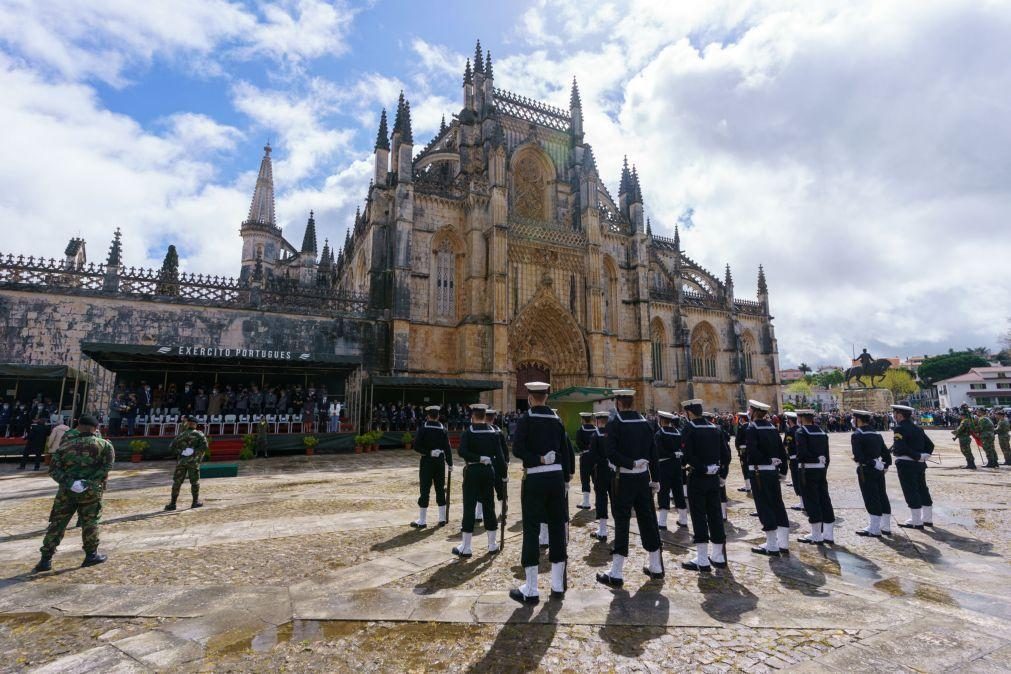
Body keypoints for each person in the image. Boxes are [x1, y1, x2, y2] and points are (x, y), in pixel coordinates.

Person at [510, 382, 571, 604]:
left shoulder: (526, 418)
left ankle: (531, 588)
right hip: (556, 479)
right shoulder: (558, 421)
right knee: (557, 528)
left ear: (529, 397)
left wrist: (538, 459)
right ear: (546, 396)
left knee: (531, 529)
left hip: (535, 477)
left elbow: (517, 449)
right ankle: (556, 586)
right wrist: (565, 480)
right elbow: (566, 452)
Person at [596, 389, 663, 587]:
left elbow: (610, 453)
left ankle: (616, 572)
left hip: (623, 479)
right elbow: (654, 453)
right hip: (643, 480)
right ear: (632, 402)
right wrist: (656, 479)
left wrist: (630, 463)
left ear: (618, 403)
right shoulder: (646, 423)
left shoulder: (615, 424)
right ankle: (655, 566)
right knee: (647, 519)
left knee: (622, 521)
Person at [32, 414, 113, 572]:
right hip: (91, 492)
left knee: (57, 525)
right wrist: (89, 482)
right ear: (94, 428)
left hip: (66, 492)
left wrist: (70, 483)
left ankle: (45, 559)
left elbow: (54, 470)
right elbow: (107, 467)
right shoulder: (104, 445)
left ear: (79, 426)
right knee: (90, 524)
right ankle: (91, 555)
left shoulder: (65, 446)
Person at [679, 399, 729, 572]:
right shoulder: (715, 428)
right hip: (714, 478)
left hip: (698, 477)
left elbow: (687, 455)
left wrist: (702, 468)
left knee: (699, 515)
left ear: (689, 413)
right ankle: (718, 556)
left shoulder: (690, 428)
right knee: (715, 514)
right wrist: (719, 471)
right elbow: (726, 454)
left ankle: (702, 559)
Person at [453, 404, 506, 558]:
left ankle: (467, 547)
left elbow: (461, 451)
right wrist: (503, 475)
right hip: (489, 471)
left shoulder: (468, 432)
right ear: (484, 416)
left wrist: (477, 458)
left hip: (473, 471)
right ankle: (492, 544)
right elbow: (501, 456)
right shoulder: (493, 432)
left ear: (473, 416)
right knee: (489, 506)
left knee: (469, 506)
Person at [744, 399, 790, 556]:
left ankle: (771, 545)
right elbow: (781, 451)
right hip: (772, 471)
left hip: (759, 471)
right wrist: (783, 470)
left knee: (764, 505)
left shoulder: (752, 428)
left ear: (755, 411)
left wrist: (766, 460)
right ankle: (783, 543)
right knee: (778, 503)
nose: (748, 412)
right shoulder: (772, 427)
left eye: (750, 410)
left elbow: (752, 451)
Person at [794, 409, 835, 545]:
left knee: (811, 501)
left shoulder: (801, 432)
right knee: (824, 499)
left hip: (807, 470)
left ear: (801, 418)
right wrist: (822, 466)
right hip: (821, 470)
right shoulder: (822, 432)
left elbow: (802, 454)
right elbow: (827, 456)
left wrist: (811, 460)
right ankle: (828, 534)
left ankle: (816, 535)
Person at [890, 404, 934, 529]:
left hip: (906, 463)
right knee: (922, 489)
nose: (894, 416)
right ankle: (927, 518)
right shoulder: (917, 428)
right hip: (919, 464)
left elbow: (901, 447)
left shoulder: (899, 428)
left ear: (899, 415)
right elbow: (930, 445)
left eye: (895, 413)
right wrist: (924, 455)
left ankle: (916, 521)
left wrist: (916, 456)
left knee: (910, 490)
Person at [411, 405, 452, 529]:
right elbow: (447, 448)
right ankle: (442, 518)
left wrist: (428, 452)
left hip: (427, 462)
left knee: (425, 489)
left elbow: (416, 446)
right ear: (438, 416)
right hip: (440, 462)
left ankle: (422, 520)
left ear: (428, 415)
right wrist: (450, 463)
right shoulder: (443, 429)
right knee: (440, 488)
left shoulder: (423, 429)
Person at [850, 409, 889, 537]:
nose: (853, 421)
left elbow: (859, 456)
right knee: (882, 495)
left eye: (854, 418)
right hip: (878, 469)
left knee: (870, 497)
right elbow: (886, 453)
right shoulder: (877, 433)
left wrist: (871, 463)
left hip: (866, 469)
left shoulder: (857, 434)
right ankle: (886, 526)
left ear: (858, 420)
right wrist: (884, 465)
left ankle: (874, 528)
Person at [164, 415, 208, 511]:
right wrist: (194, 452)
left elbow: (171, 448)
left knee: (177, 482)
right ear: (195, 425)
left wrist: (182, 452)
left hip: (182, 462)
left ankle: (173, 503)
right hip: (193, 462)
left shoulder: (181, 435)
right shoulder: (199, 435)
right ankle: (195, 502)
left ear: (188, 424)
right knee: (195, 482)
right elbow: (204, 447)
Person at [654, 410, 688, 530]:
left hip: (664, 466)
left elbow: (658, 452)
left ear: (661, 420)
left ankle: (662, 522)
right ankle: (683, 519)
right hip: (677, 466)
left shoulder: (660, 433)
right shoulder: (678, 432)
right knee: (678, 491)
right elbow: (683, 448)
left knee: (663, 492)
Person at [587, 411, 613, 541]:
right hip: (614, 472)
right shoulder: (614, 435)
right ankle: (619, 528)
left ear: (597, 421)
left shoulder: (595, 436)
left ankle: (602, 531)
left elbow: (592, 457)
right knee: (616, 499)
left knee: (601, 499)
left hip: (601, 472)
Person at [783, 411, 804, 510]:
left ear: (790, 421)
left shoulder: (790, 431)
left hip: (793, 458)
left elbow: (786, 444)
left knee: (797, 480)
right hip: (801, 458)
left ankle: (802, 503)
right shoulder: (801, 429)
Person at [575, 412, 596, 510]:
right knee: (596, 479)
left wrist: (586, 448)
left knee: (585, 478)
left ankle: (586, 502)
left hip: (585, 457)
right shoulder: (597, 430)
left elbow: (578, 444)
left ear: (583, 420)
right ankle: (598, 500)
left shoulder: (580, 430)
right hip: (596, 457)